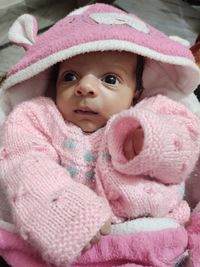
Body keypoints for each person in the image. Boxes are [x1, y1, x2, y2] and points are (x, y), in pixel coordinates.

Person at [0, 3, 200, 267]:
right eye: (70, 76)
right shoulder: (38, 117)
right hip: (68, 248)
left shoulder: (155, 110)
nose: (84, 87)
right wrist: (64, 212)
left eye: (110, 79)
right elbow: (23, 164)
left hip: (153, 242)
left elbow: (186, 145)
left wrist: (152, 141)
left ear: (136, 93)